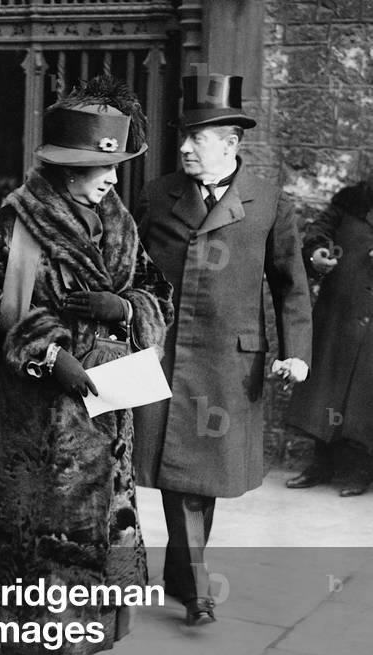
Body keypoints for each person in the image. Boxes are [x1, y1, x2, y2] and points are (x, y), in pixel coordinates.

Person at [0, 76, 172, 655]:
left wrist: (125, 306)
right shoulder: (11, 222)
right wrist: (49, 353)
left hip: (104, 418)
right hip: (29, 420)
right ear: (66, 168)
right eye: (99, 167)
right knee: (26, 534)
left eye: (115, 166)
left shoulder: (120, 223)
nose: (111, 178)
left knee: (94, 541)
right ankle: (27, 646)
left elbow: (157, 296)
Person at [133, 73, 312, 626]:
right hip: (162, 355)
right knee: (175, 472)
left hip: (228, 362)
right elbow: (130, 270)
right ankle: (194, 585)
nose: (185, 147)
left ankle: (184, 576)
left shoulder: (267, 202)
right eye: (183, 136)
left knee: (198, 476)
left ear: (232, 143)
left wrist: (297, 351)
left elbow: (291, 284)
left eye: (198, 138)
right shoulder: (157, 194)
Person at [283, 180, 373, 497]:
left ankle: (359, 469)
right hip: (340, 311)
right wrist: (317, 251)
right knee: (326, 391)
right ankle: (320, 464)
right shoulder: (354, 199)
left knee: (364, 398)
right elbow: (321, 230)